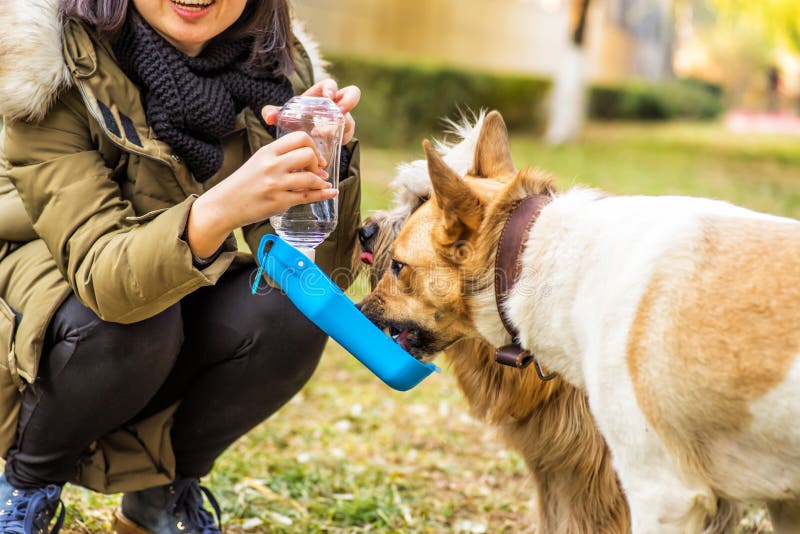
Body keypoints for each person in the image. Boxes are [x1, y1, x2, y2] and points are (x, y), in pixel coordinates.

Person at [0, 0, 362, 532]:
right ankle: (25, 485)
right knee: (137, 319)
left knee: (292, 311)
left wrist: (327, 159)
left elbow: (312, 272)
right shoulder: (49, 63)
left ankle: (161, 492)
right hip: (40, 288)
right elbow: (105, 275)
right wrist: (220, 209)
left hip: (166, 280)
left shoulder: (277, 71)